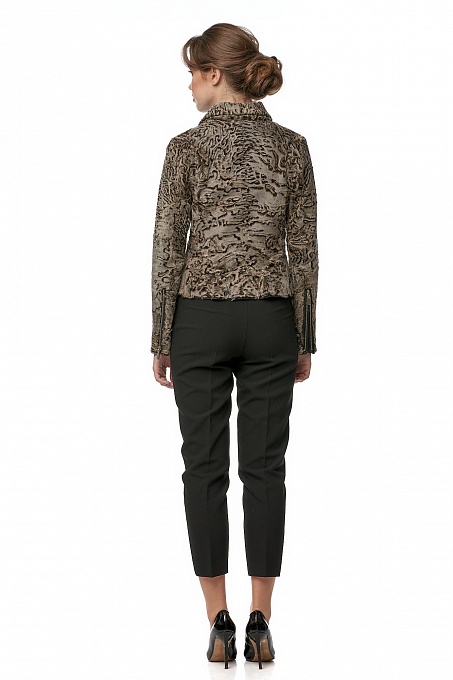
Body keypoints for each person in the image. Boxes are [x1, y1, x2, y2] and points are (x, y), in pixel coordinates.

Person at [150, 22, 319, 669]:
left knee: (203, 469)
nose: (190, 86)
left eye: (193, 73)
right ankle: (261, 621)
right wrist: (304, 335)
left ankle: (217, 621)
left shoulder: (185, 149)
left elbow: (168, 247)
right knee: (265, 469)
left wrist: (160, 335)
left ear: (215, 74)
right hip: (272, 320)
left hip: (198, 320)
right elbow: (304, 251)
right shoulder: (291, 147)